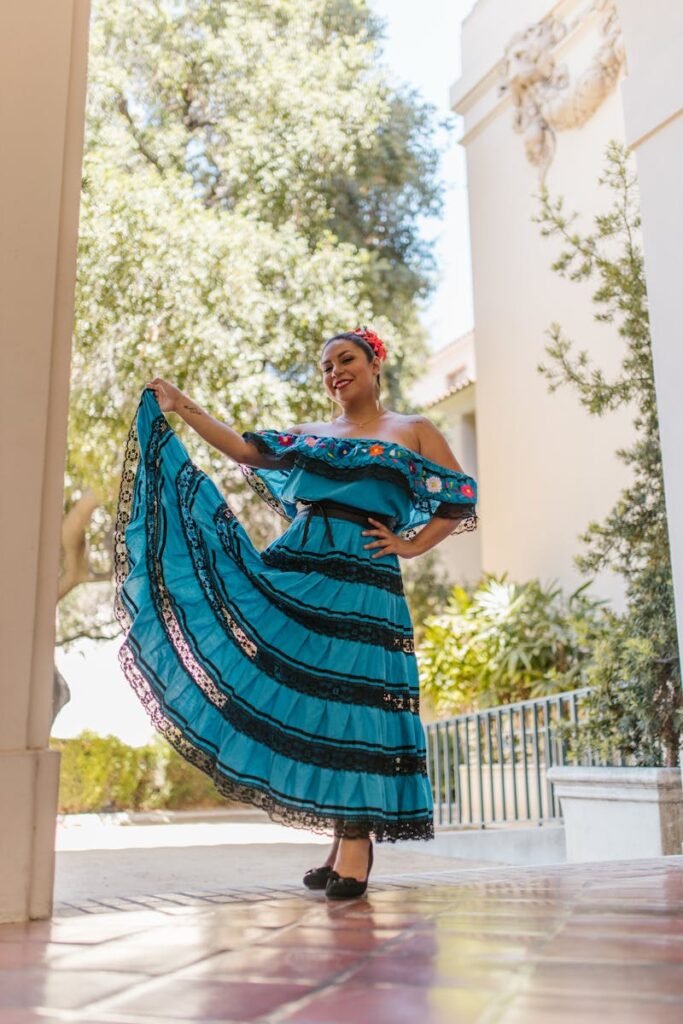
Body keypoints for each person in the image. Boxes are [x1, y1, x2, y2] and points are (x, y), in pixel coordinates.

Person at [113, 326, 477, 899]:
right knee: (320, 702)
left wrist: (411, 544)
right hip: (303, 567)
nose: (335, 372)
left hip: (363, 578)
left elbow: (461, 497)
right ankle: (343, 841)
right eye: (326, 366)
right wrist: (182, 406)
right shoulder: (312, 436)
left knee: (356, 696)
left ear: (375, 364)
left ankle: (356, 842)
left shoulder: (413, 430)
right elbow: (245, 450)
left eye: (346, 359)